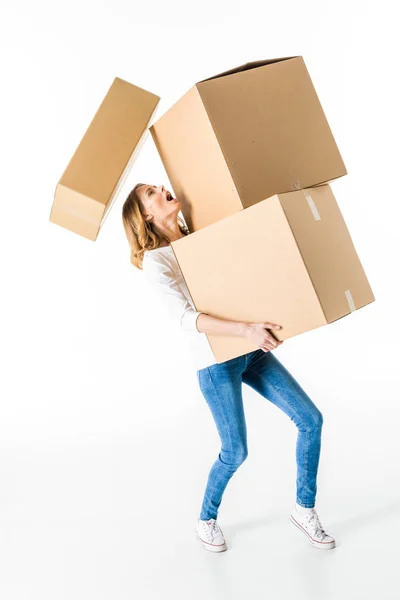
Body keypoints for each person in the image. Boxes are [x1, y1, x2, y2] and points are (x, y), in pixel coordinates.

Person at [122, 183, 336, 553]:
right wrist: (247, 331)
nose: (162, 188)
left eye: (158, 184)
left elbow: (238, 283)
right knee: (235, 451)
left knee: (310, 420)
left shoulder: (201, 237)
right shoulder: (158, 261)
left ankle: (305, 509)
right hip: (215, 363)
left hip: (248, 349)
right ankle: (206, 519)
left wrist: (263, 328)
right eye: (150, 194)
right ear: (146, 216)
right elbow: (186, 318)